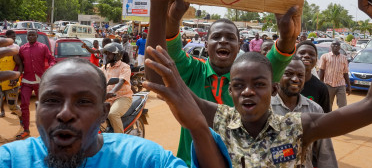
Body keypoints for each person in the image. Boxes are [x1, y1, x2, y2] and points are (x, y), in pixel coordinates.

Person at [144, 0, 372, 167]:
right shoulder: (221, 120)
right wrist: (157, 4)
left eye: (258, 84)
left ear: (273, 89)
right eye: (238, 86)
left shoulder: (298, 127)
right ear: (230, 93)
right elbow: (158, 77)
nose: (247, 91)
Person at [145, 0, 299, 166]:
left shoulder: (250, 78)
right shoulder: (193, 69)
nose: (223, 41)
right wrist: (171, 17)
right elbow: (163, 52)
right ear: (206, 45)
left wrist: (287, 36)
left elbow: (279, 56)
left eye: (230, 38)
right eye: (216, 37)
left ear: (238, 45)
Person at [0, 58, 231, 168]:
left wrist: (199, 127)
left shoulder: (143, 159)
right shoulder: (10, 159)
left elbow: (123, 83)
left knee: (117, 116)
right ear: (38, 110)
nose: (66, 113)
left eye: (83, 101)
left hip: (123, 98)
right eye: (52, 100)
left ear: (101, 112)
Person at [271, 57, 337, 168]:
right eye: (288, 73)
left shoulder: (315, 110)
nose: (295, 79)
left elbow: (325, 152)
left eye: (300, 75)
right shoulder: (264, 108)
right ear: (278, 76)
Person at [18, 30, 55, 140]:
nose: (31, 36)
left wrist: (51, 67)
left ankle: (47, 129)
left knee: (44, 105)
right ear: (27, 36)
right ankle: (26, 130)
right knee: (24, 105)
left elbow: (51, 59)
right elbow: (19, 64)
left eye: (33, 35)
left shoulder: (43, 47)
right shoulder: (22, 49)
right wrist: (15, 75)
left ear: (37, 36)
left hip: (40, 80)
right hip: (26, 80)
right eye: (29, 35)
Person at [99, 43, 133, 133]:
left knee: (112, 114)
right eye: (106, 53)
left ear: (117, 55)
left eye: (109, 53)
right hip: (107, 98)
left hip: (122, 97)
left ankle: (120, 140)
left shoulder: (125, 67)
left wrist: (113, 91)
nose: (106, 56)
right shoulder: (105, 67)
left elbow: (121, 81)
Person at [296, 40, 331, 113]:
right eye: (302, 53)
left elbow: (326, 117)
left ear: (316, 60)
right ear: (294, 56)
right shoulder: (284, 83)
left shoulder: (321, 88)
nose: (306, 56)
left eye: (311, 54)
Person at [318, 40, 351, 111]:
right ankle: (328, 120)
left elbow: (345, 73)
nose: (335, 46)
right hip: (328, 84)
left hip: (340, 85)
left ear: (340, 47)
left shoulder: (344, 58)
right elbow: (321, 70)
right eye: (334, 45)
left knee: (343, 106)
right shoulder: (325, 56)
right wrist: (320, 84)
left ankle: (341, 120)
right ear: (331, 46)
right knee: (328, 105)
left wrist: (349, 85)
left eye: (337, 45)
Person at [0, 30, 23, 118]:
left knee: (12, 106)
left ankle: (23, 118)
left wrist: (17, 77)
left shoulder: (12, 52)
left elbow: (20, 64)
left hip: (11, 85)